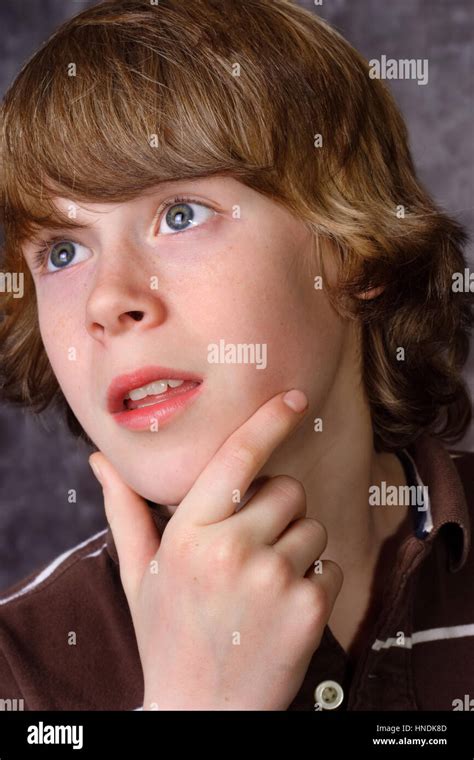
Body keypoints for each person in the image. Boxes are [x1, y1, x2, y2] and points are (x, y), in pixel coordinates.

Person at [0, 0, 472, 711]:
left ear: (354, 252)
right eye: (62, 253)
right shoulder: (19, 669)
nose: (106, 302)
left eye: (180, 215)